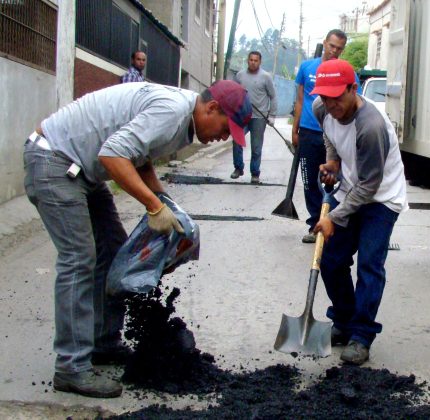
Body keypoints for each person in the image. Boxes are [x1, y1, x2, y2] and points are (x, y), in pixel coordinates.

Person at [23, 80, 252, 398]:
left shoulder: (181, 116)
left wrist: (168, 205)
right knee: (79, 258)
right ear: (212, 108)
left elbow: (139, 157)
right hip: (55, 163)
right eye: (227, 129)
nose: (225, 138)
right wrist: (154, 206)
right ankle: (71, 368)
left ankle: (103, 343)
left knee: (114, 251)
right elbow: (114, 156)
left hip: (80, 170)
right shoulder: (172, 112)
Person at [311, 59, 408, 365]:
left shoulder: (371, 126)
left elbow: (369, 187)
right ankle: (343, 319)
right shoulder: (321, 108)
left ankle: (361, 335)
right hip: (351, 188)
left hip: (380, 198)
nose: (331, 104)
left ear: (353, 89)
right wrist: (333, 161)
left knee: (369, 264)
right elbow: (329, 135)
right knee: (330, 260)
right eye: (325, 97)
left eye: (337, 96)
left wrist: (332, 218)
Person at [293, 29, 356, 243]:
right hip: (310, 132)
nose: (334, 51)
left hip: (336, 135)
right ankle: (314, 224)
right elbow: (300, 100)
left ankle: (332, 221)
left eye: (339, 48)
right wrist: (296, 129)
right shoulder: (307, 67)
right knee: (310, 180)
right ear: (325, 43)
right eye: (332, 46)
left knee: (334, 179)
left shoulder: (347, 72)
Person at [231, 51, 277, 183]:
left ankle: (255, 173)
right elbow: (234, 93)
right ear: (247, 60)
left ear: (260, 62)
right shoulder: (240, 76)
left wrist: (271, 115)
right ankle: (238, 168)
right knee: (237, 140)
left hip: (259, 117)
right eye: (251, 60)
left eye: (255, 60)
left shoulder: (265, 77)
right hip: (242, 115)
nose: (253, 62)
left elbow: (273, 96)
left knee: (256, 147)